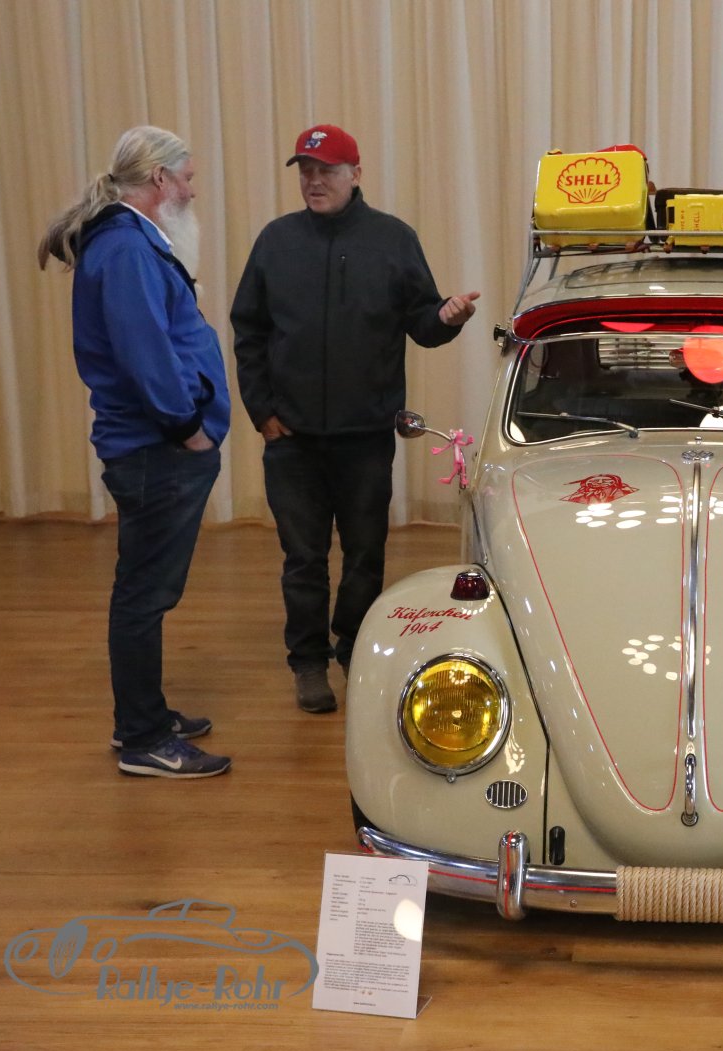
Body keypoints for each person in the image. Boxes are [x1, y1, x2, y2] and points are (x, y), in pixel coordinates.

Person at [231, 124, 479, 712]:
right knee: (304, 559)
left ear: (355, 174)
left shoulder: (393, 239)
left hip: (365, 437)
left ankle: (354, 645)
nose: (314, 181)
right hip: (292, 439)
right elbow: (249, 331)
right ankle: (308, 661)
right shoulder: (276, 241)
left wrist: (447, 318)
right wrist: (262, 412)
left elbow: (423, 322)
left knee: (366, 554)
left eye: (326, 171)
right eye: (306, 172)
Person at [37, 125, 233, 778]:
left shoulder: (131, 240)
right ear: (159, 179)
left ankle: (143, 717)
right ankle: (144, 738)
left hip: (157, 448)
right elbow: (144, 352)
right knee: (144, 594)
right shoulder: (124, 247)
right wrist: (188, 426)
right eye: (188, 179)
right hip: (157, 449)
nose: (192, 191)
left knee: (145, 589)